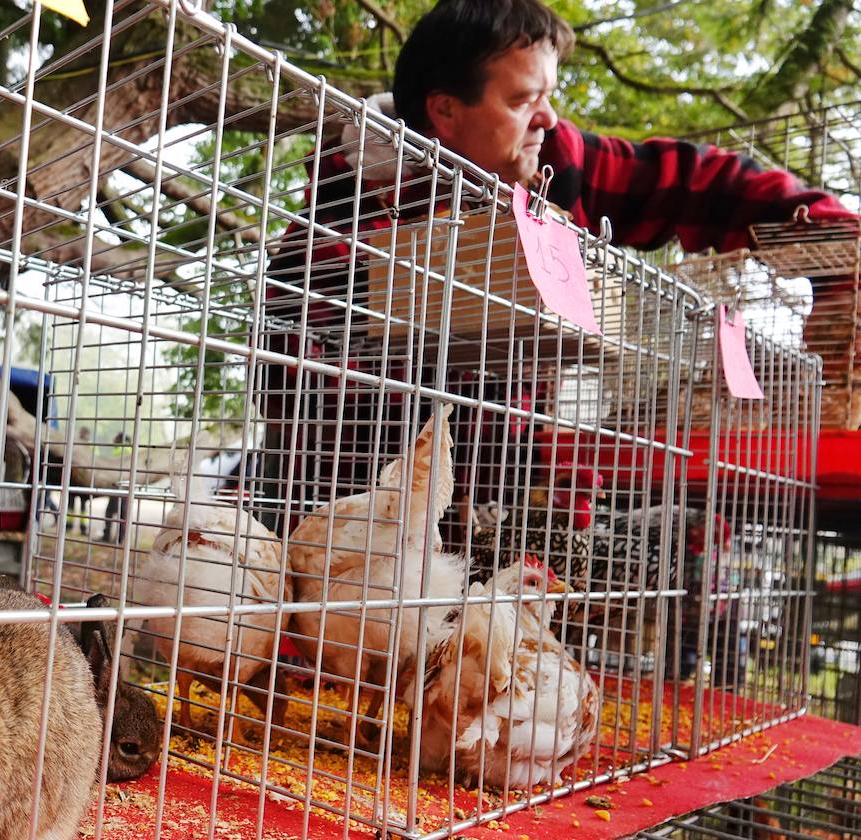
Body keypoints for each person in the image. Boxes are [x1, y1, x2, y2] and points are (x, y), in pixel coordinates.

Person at [260, 0, 858, 531]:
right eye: (523, 100)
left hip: (506, 503)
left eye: (549, 95)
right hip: (357, 527)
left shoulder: (552, 161)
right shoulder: (333, 235)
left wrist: (838, 248)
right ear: (444, 110)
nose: (547, 118)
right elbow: (315, 423)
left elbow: (698, 182)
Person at [102, 432, 132, 545]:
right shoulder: (129, 450)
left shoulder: (121, 450)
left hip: (119, 486)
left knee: (111, 512)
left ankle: (109, 536)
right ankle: (118, 538)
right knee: (121, 513)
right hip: (124, 487)